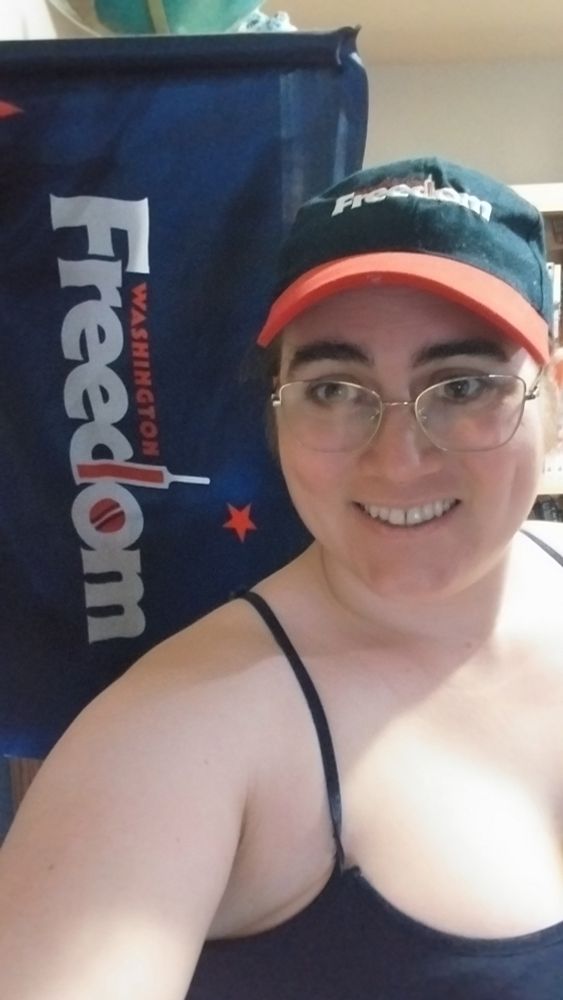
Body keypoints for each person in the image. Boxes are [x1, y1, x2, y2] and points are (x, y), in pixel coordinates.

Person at [1, 156, 563, 1000]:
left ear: (550, 397)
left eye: (463, 385)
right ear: (274, 412)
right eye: (334, 387)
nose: (398, 457)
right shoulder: (172, 737)